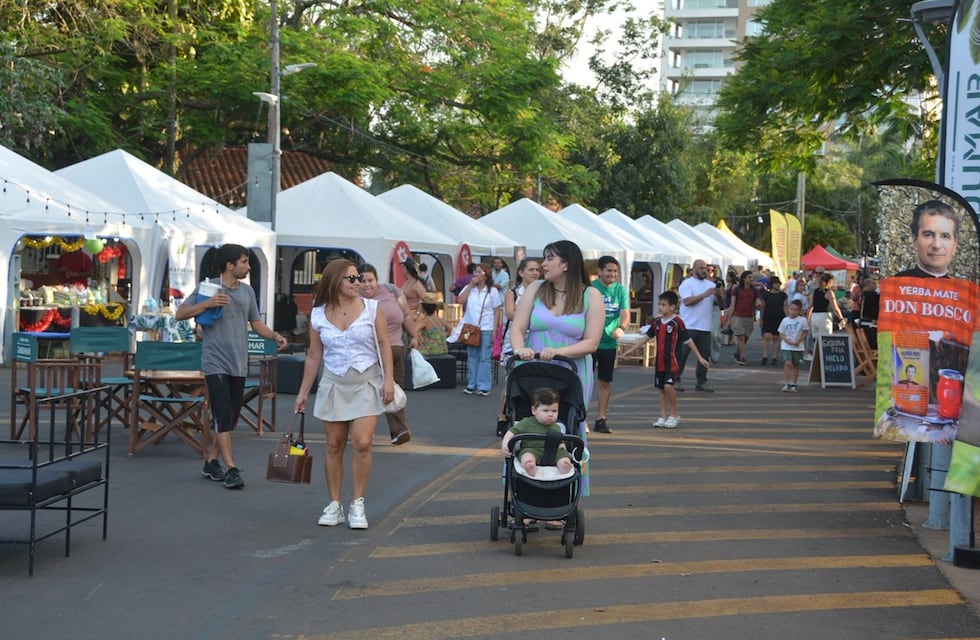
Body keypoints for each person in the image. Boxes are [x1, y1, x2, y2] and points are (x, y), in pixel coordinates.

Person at [175, 243, 288, 489]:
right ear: (230, 265)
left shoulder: (247, 292)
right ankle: (231, 468)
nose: (248, 267)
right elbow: (180, 314)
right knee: (222, 415)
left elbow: (256, 323)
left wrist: (274, 336)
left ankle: (211, 461)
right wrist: (208, 303)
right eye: (244, 262)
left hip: (239, 361)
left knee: (230, 418)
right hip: (215, 361)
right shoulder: (208, 288)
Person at [294, 260, 395, 530]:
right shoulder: (317, 315)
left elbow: (385, 345)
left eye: (358, 278)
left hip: (366, 380)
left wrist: (389, 380)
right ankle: (335, 503)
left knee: (362, 442)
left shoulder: (372, 309)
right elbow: (314, 355)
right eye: (351, 279)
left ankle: (358, 502)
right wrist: (303, 392)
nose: (358, 283)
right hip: (333, 382)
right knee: (333, 445)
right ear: (335, 282)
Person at [509, 240, 604, 442]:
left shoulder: (591, 295)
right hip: (535, 367)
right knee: (528, 423)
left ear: (566, 264)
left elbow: (592, 342)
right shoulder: (535, 288)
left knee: (566, 426)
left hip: (571, 370)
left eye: (549, 258)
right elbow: (517, 327)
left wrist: (559, 352)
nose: (543, 264)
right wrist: (520, 349)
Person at [621, 291, 709, 429]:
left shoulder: (677, 322)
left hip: (673, 362)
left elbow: (688, 340)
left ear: (672, 307)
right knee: (661, 389)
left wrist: (700, 357)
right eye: (659, 304)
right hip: (660, 362)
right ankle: (663, 416)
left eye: (664, 305)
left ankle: (674, 414)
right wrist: (632, 350)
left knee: (669, 386)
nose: (660, 307)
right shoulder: (657, 323)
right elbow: (646, 338)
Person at [359, 263, 419, 445]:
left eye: (370, 280)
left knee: (396, 390)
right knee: (371, 392)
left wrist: (414, 336)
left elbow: (407, 314)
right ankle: (365, 430)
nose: (367, 285)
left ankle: (398, 430)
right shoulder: (354, 298)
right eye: (362, 281)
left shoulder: (391, 290)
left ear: (377, 280)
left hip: (396, 349)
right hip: (371, 352)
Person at [496, 258, 541, 436]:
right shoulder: (513, 293)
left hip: (536, 340)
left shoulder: (543, 292)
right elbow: (511, 314)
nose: (535, 273)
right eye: (531, 269)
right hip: (515, 341)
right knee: (511, 380)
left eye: (537, 270)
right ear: (521, 272)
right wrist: (532, 317)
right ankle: (502, 416)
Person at [590, 256, 630, 434]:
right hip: (589, 342)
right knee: (585, 381)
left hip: (609, 344)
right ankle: (580, 418)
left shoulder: (620, 290)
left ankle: (601, 418)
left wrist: (621, 327)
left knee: (604, 382)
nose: (612, 274)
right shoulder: (591, 288)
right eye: (609, 270)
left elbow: (625, 314)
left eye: (615, 271)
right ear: (599, 271)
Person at [500, 387, 573, 477]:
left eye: (554, 411)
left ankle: (564, 465)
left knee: (562, 455)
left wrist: (563, 449)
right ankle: (529, 465)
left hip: (553, 451)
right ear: (534, 410)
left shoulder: (557, 427)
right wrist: (505, 444)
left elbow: (561, 443)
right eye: (546, 411)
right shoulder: (527, 422)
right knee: (526, 455)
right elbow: (512, 432)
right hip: (532, 449)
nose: (550, 414)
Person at [457, 262, 502, 396]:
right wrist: (470, 285)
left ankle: (483, 385)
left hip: (486, 326)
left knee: (484, 357)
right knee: (472, 356)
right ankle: (472, 384)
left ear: (486, 274)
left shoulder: (492, 290)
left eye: (480, 272)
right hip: (471, 327)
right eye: (475, 272)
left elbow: (496, 310)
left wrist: (495, 329)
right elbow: (460, 300)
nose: (476, 274)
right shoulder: (469, 288)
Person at [677, 259, 717, 392]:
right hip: (688, 326)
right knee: (682, 355)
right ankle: (675, 379)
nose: (704, 271)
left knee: (705, 356)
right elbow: (687, 301)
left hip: (705, 327)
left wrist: (720, 295)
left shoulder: (710, 285)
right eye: (701, 268)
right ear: (693, 269)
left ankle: (701, 382)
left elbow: (721, 305)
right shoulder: (687, 284)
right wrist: (705, 295)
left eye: (706, 268)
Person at [895, 200, 959, 278]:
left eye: (945, 236)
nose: (937, 245)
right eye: (928, 235)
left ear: (954, 246)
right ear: (915, 241)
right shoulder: (895, 285)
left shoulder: (960, 289)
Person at [724, 270, 759, 367]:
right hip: (738, 315)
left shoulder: (754, 290)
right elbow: (732, 304)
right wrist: (729, 319)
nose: (751, 279)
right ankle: (743, 356)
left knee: (745, 338)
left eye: (752, 277)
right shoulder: (736, 289)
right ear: (744, 279)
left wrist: (758, 306)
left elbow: (756, 301)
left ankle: (737, 353)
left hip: (749, 316)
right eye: (749, 277)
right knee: (741, 336)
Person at [778, 299, 808, 392]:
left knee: (796, 365)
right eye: (791, 309)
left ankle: (794, 383)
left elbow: (805, 331)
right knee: (788, 363)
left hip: (798, 346)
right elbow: (781, 332)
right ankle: (786, 382)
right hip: (787, 346)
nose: (793, 311)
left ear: (799, 311)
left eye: (795, 310)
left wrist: (799, 340)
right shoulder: (785, 320)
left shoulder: (802, 320)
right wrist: (787, 340)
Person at [807, 272, 844, 346]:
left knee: (816, 341)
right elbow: (835, 307)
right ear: (830, 282)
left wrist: (808, 319)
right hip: (824, 317)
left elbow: (810, 306)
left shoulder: (815, 292)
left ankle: (816, 356)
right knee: (825, 341)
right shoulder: (829, 292)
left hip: (814, 316)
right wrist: (841, 319)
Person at [759, 276, 787, 366]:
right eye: (775, 283)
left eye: (779, 283)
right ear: (772, 284)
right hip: (768, 317)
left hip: (779, 317)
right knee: (767, 336)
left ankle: (775, 357)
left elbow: (785, 306)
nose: (777, 285)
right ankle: (765, 356)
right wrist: (761, 318)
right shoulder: (766, 295)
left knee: (776, 337)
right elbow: (762, 307)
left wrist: (788, 318)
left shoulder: (783, 295)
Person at [417, 292, 449, 356]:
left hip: (430, 351)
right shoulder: (440, 319)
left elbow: (414, 330)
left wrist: (420, 341)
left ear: (423, 307)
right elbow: (450, 329)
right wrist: (442, 336)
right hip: (443, 350)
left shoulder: (425, 321)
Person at [858, 276, 879, 350]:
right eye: (873, 283)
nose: (875, 284)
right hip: (870, 322)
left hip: (865, 320)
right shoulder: (871, 295)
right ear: (869, 285)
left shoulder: (864, 294)